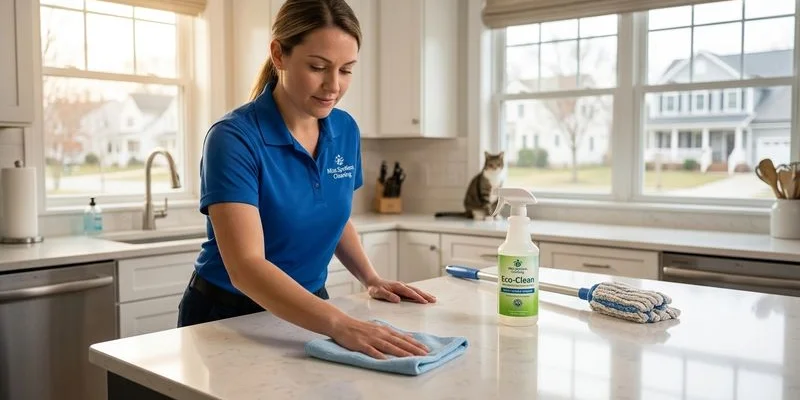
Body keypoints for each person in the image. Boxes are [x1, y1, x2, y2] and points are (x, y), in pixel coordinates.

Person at [176, 0, 437, 360]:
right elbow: (246, 268)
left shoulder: (345, 129)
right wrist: (341, 324)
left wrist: (371, 278)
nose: (333, 85)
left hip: (312, 307)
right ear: (279, 55)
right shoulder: (233, 138)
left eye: (346, 70)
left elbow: (335, 214)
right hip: (228, 315)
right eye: (318, 67)